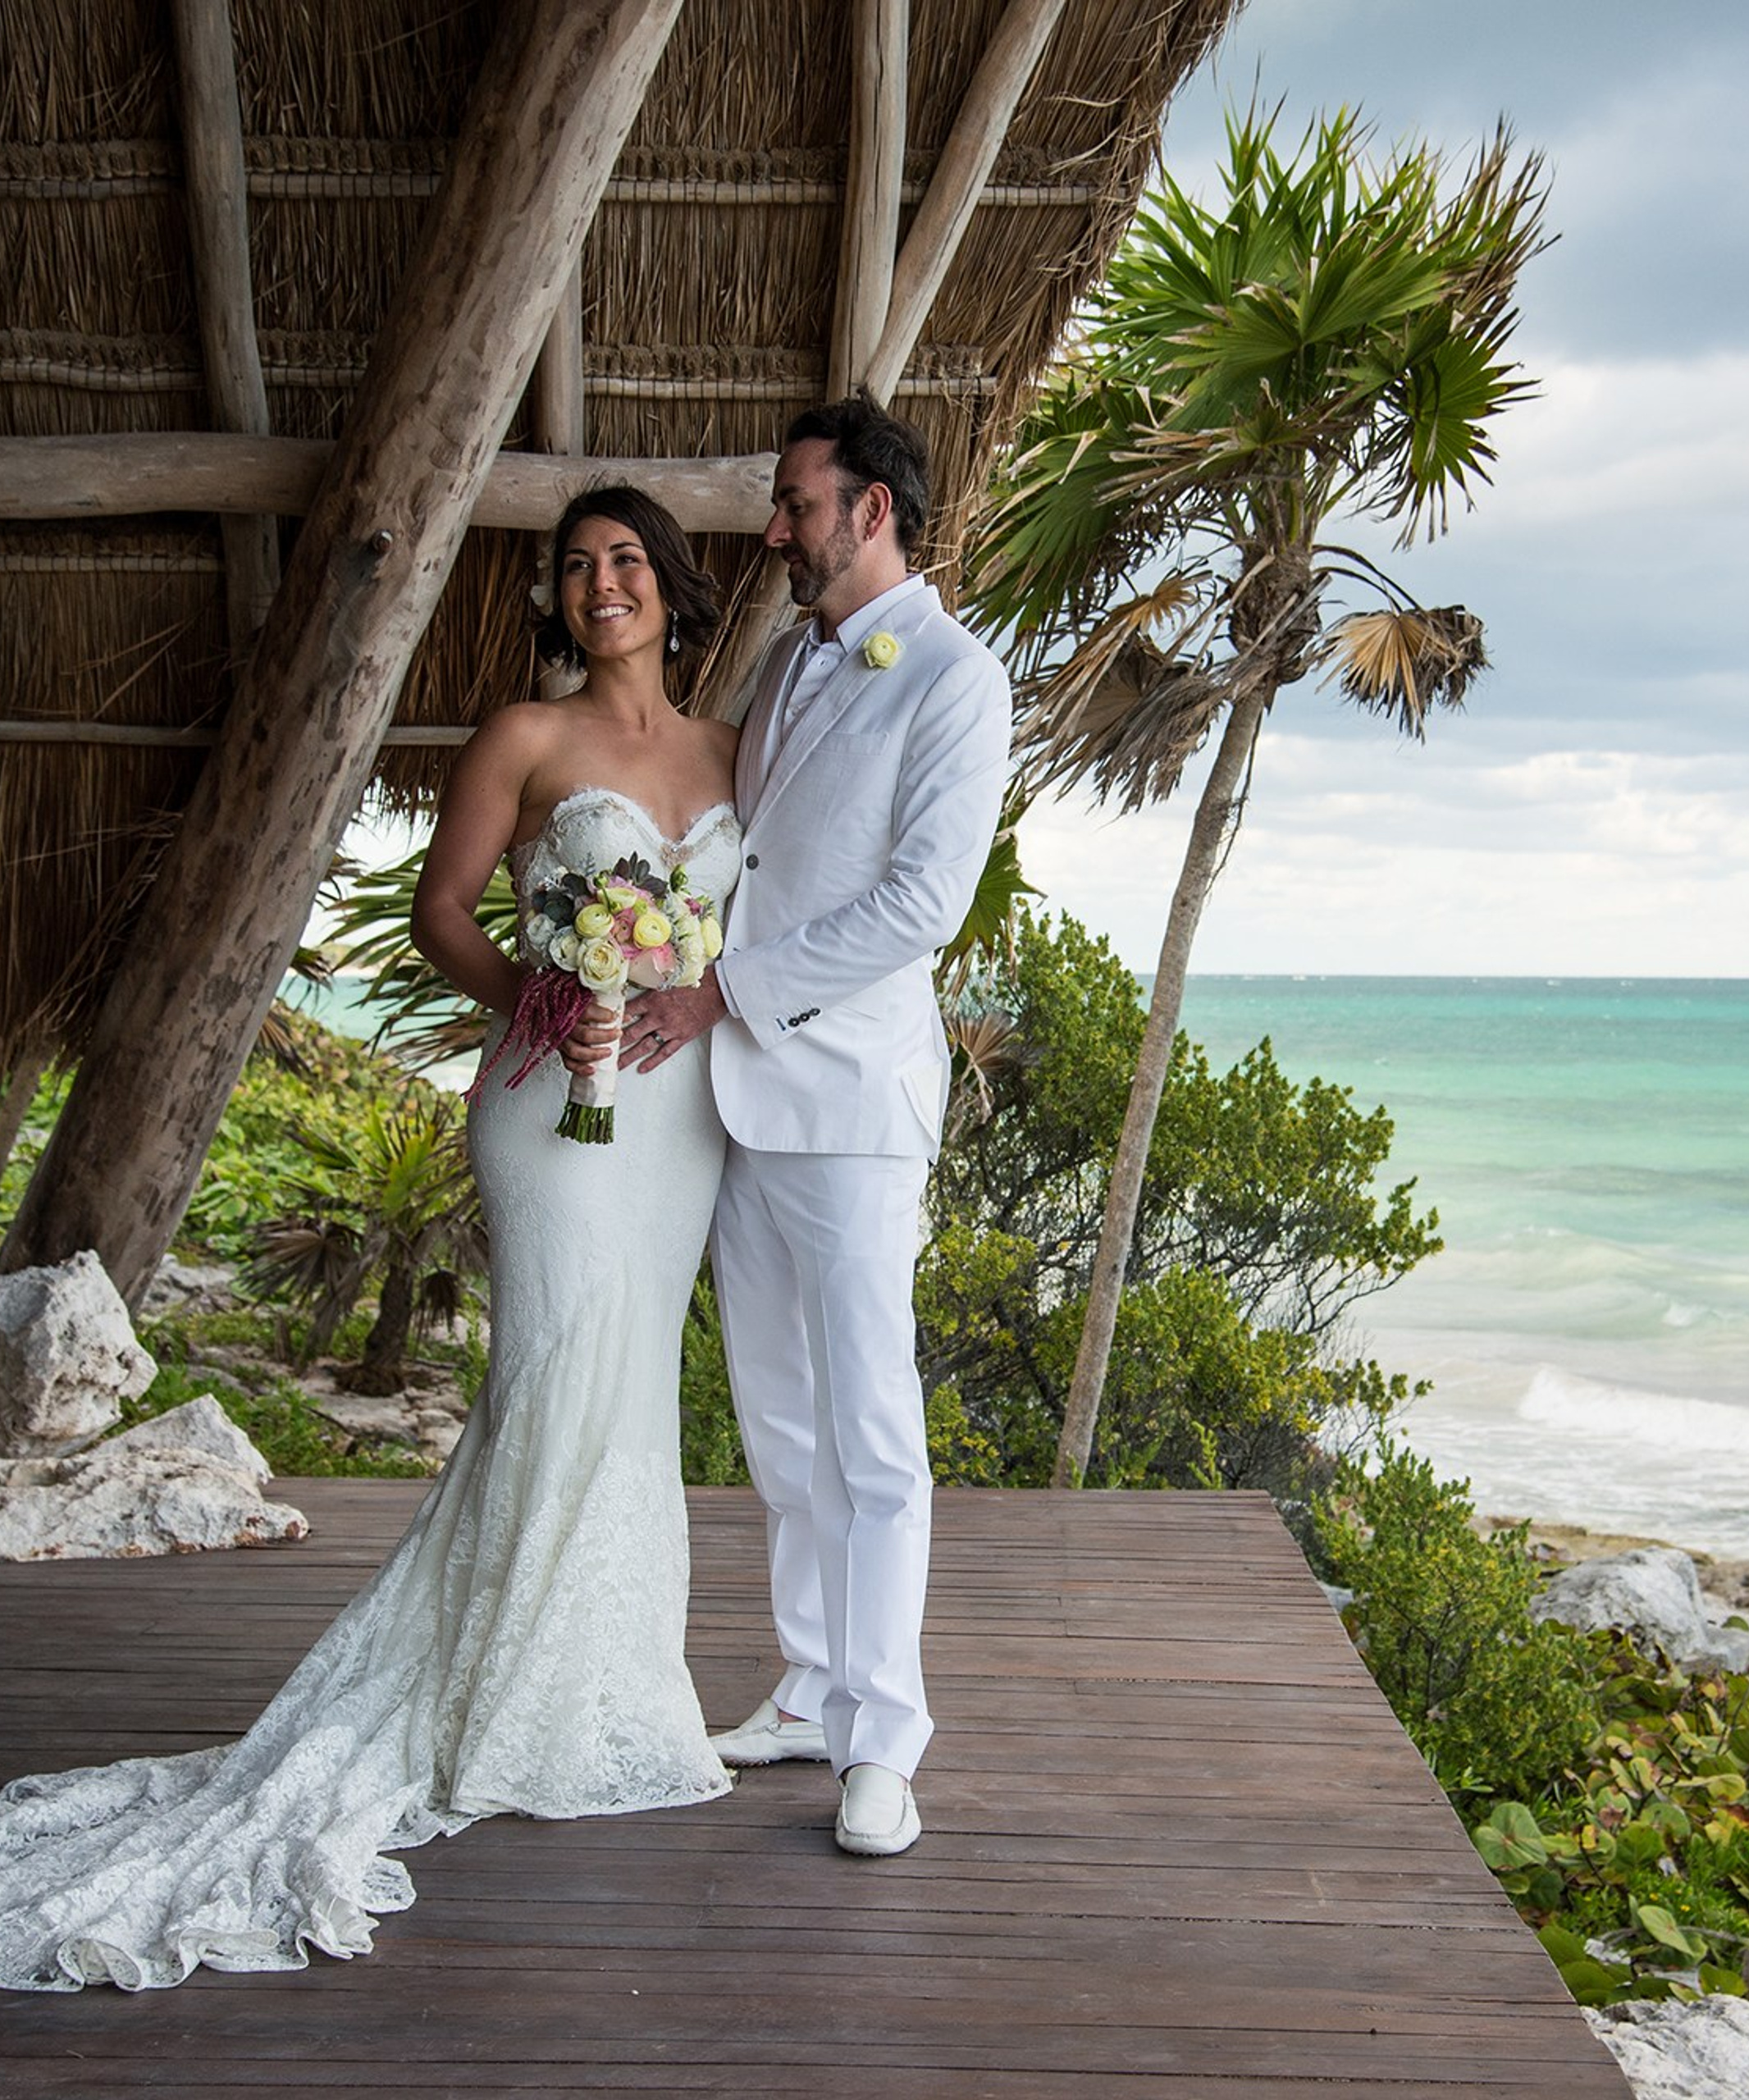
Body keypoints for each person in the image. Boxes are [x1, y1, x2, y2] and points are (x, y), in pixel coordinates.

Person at [0, 485, 741, 1992]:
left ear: (672, 586)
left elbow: (761, 926)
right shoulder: (525, 740)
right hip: (550, 1105)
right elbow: (441, 909)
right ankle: (501, 1703)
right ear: (557, 600)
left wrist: (699, 992)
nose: (600, 586)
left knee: (631, 1394)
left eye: (625, 564)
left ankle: (606, 1688)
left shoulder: (735, 757)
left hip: (681, 1123)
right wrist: (537, 996)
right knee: (548, 1376)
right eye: (574, 569)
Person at [616, 395, 1010, 1858]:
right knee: (779, 1423)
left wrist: (724, 991)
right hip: (738, 1100)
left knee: (870, 1431)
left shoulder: (959, 680)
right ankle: (806, 1687)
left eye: (795, 502)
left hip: (849, 1103)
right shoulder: (786, 659)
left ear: (872, 510)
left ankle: (886, 1739)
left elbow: (922, 906)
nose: (774, 528)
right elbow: (754, 854)